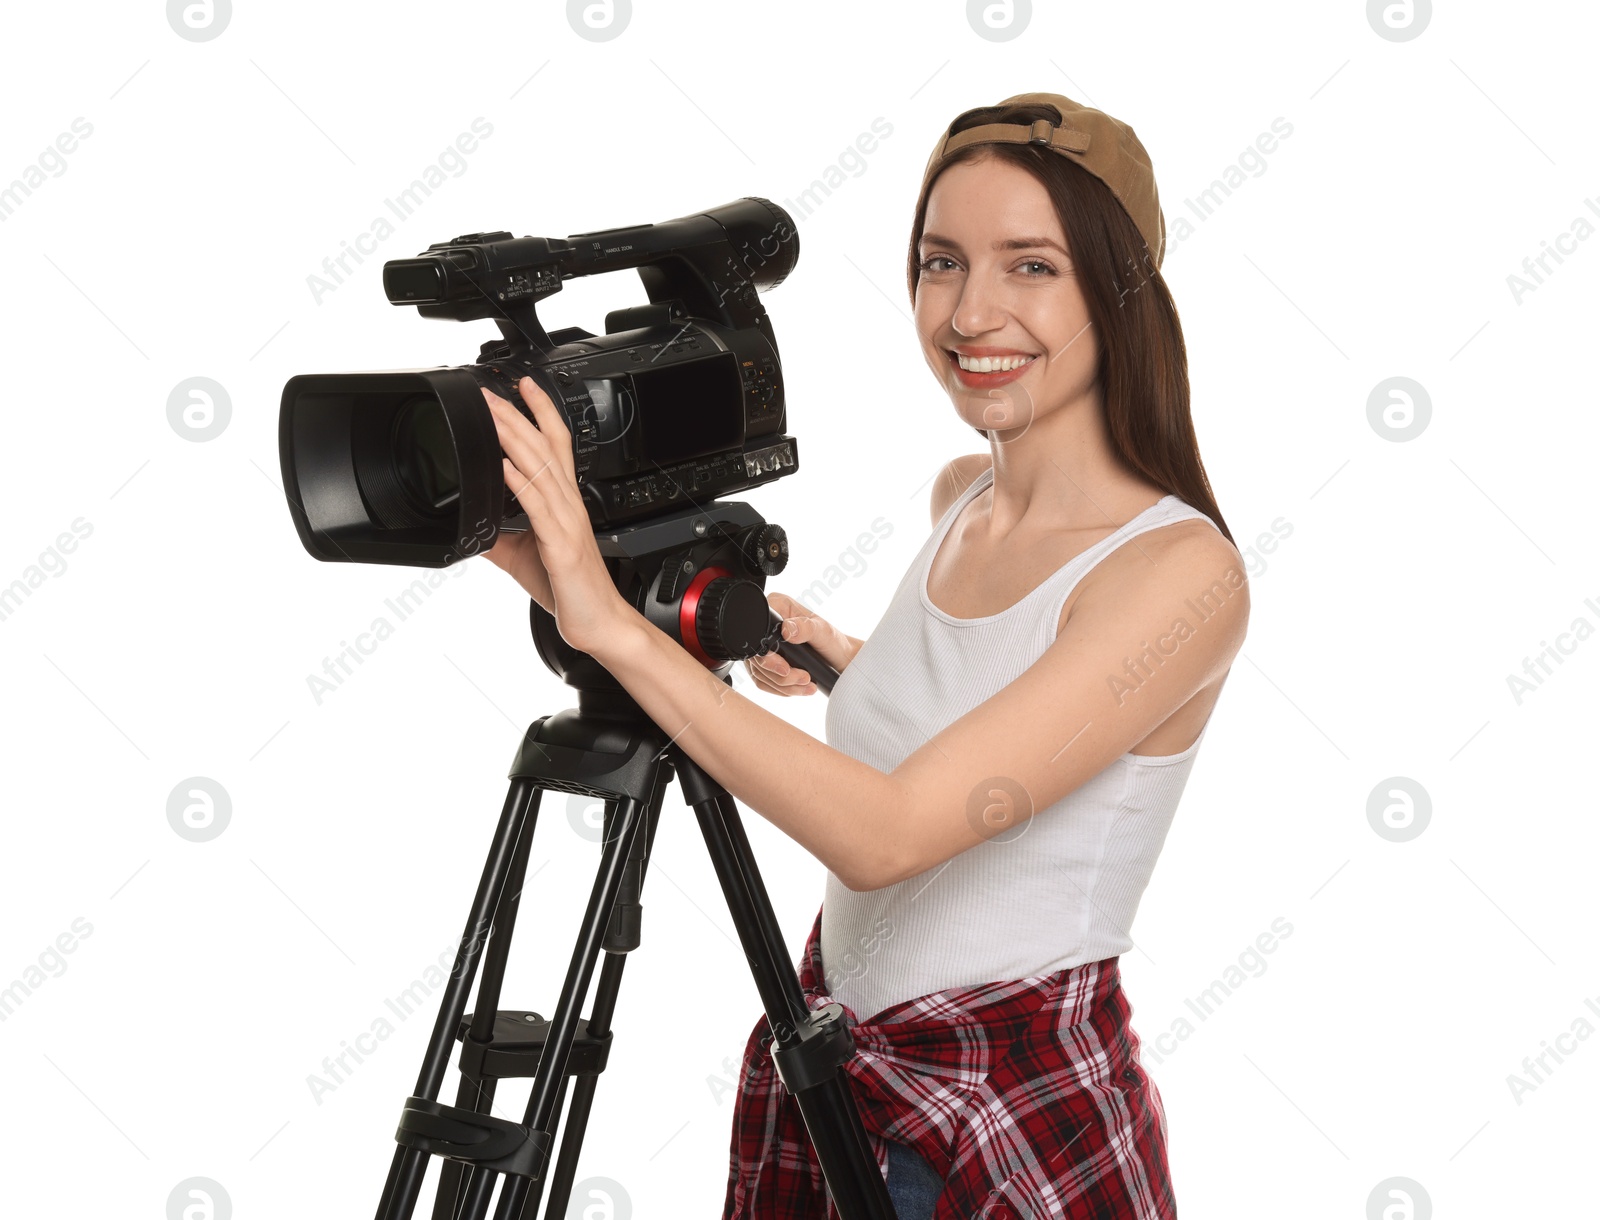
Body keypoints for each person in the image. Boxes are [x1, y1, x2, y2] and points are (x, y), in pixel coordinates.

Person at [480, 91, 1249, 1220]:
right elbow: (994, 699)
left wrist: (608, 625)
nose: (971, 311)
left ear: (1120, 288)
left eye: (1030, 266)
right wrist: (845, 660)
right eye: (941, 260)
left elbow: (887, 833)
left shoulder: (1181, 576)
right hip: (849, 1067)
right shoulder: (962, 501)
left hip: (1005, 1105)